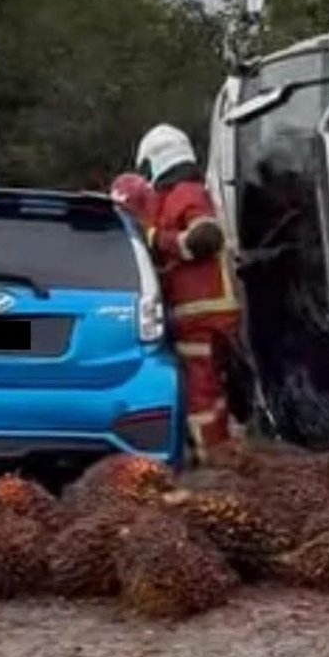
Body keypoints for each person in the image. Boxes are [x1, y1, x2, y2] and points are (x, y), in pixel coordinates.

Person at [134, 124, 244, 461]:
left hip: (203, 313)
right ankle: (223, 450)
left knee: (200, 392)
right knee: (211, 389)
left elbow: (206, 237)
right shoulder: (171, 197)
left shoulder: (187, 193)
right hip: (200, 313)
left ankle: (214, 461)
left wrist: (158, 240)